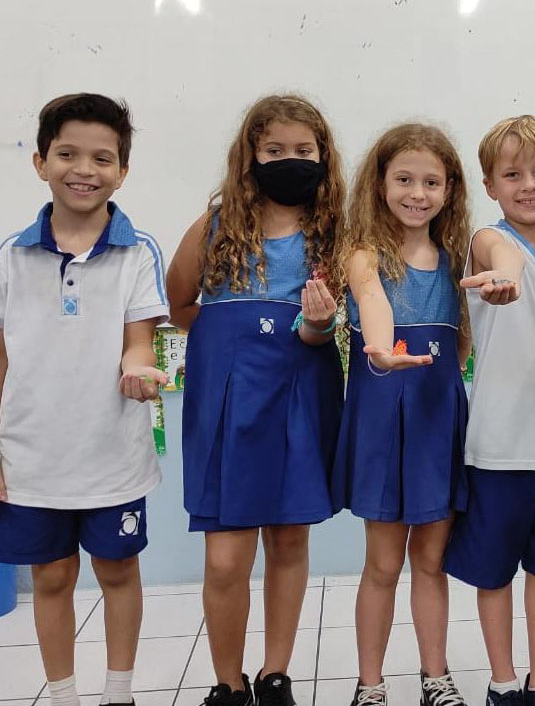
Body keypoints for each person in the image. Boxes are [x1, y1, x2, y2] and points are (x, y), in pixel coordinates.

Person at [166, 94, 346, 706]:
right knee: (225, 558)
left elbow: (329, 325)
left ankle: (274, 675)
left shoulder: (334, 232)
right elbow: (181, 304)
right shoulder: (215, 226)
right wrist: (231, 345)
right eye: (274, 150)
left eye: (303, 151)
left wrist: (312, 327)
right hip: (228, 404)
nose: (289, 161)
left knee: (291, 539)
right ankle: (227, 682)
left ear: (324, 157)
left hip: (303, 394)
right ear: (251, 155)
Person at [0, 93, 169, 706]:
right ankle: (64, 695)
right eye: (67, 153)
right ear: (40, 160)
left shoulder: (137, 251)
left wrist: (138, 371)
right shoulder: (9, 258)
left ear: (122, 170)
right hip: (31, 462)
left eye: (102, 158)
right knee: (50, 578)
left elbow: (139, 342)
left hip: (112, 456)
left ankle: (118, 693)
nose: (84, 169)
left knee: (119, 573)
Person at [443, 115, 535, 706]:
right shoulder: (486, 239)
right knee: (494, 571)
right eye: (512, 174)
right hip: (500, 446)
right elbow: (499, 257)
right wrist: (503, 280)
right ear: (489, 185)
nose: (528, 185)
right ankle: (503, 683)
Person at [332, 123, 471, 706]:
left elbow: (460, 344)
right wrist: (385, 356)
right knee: (384, 562)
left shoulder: (456, 259)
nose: (418, 192)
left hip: (439, 415)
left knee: (431, 561)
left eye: (431, 182)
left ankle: (435, 677)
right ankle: (370, 683)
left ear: (450, 189)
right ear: (380, 183)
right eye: (405, 179)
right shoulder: (363, 252)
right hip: (384, 413)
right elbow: (372, 302)